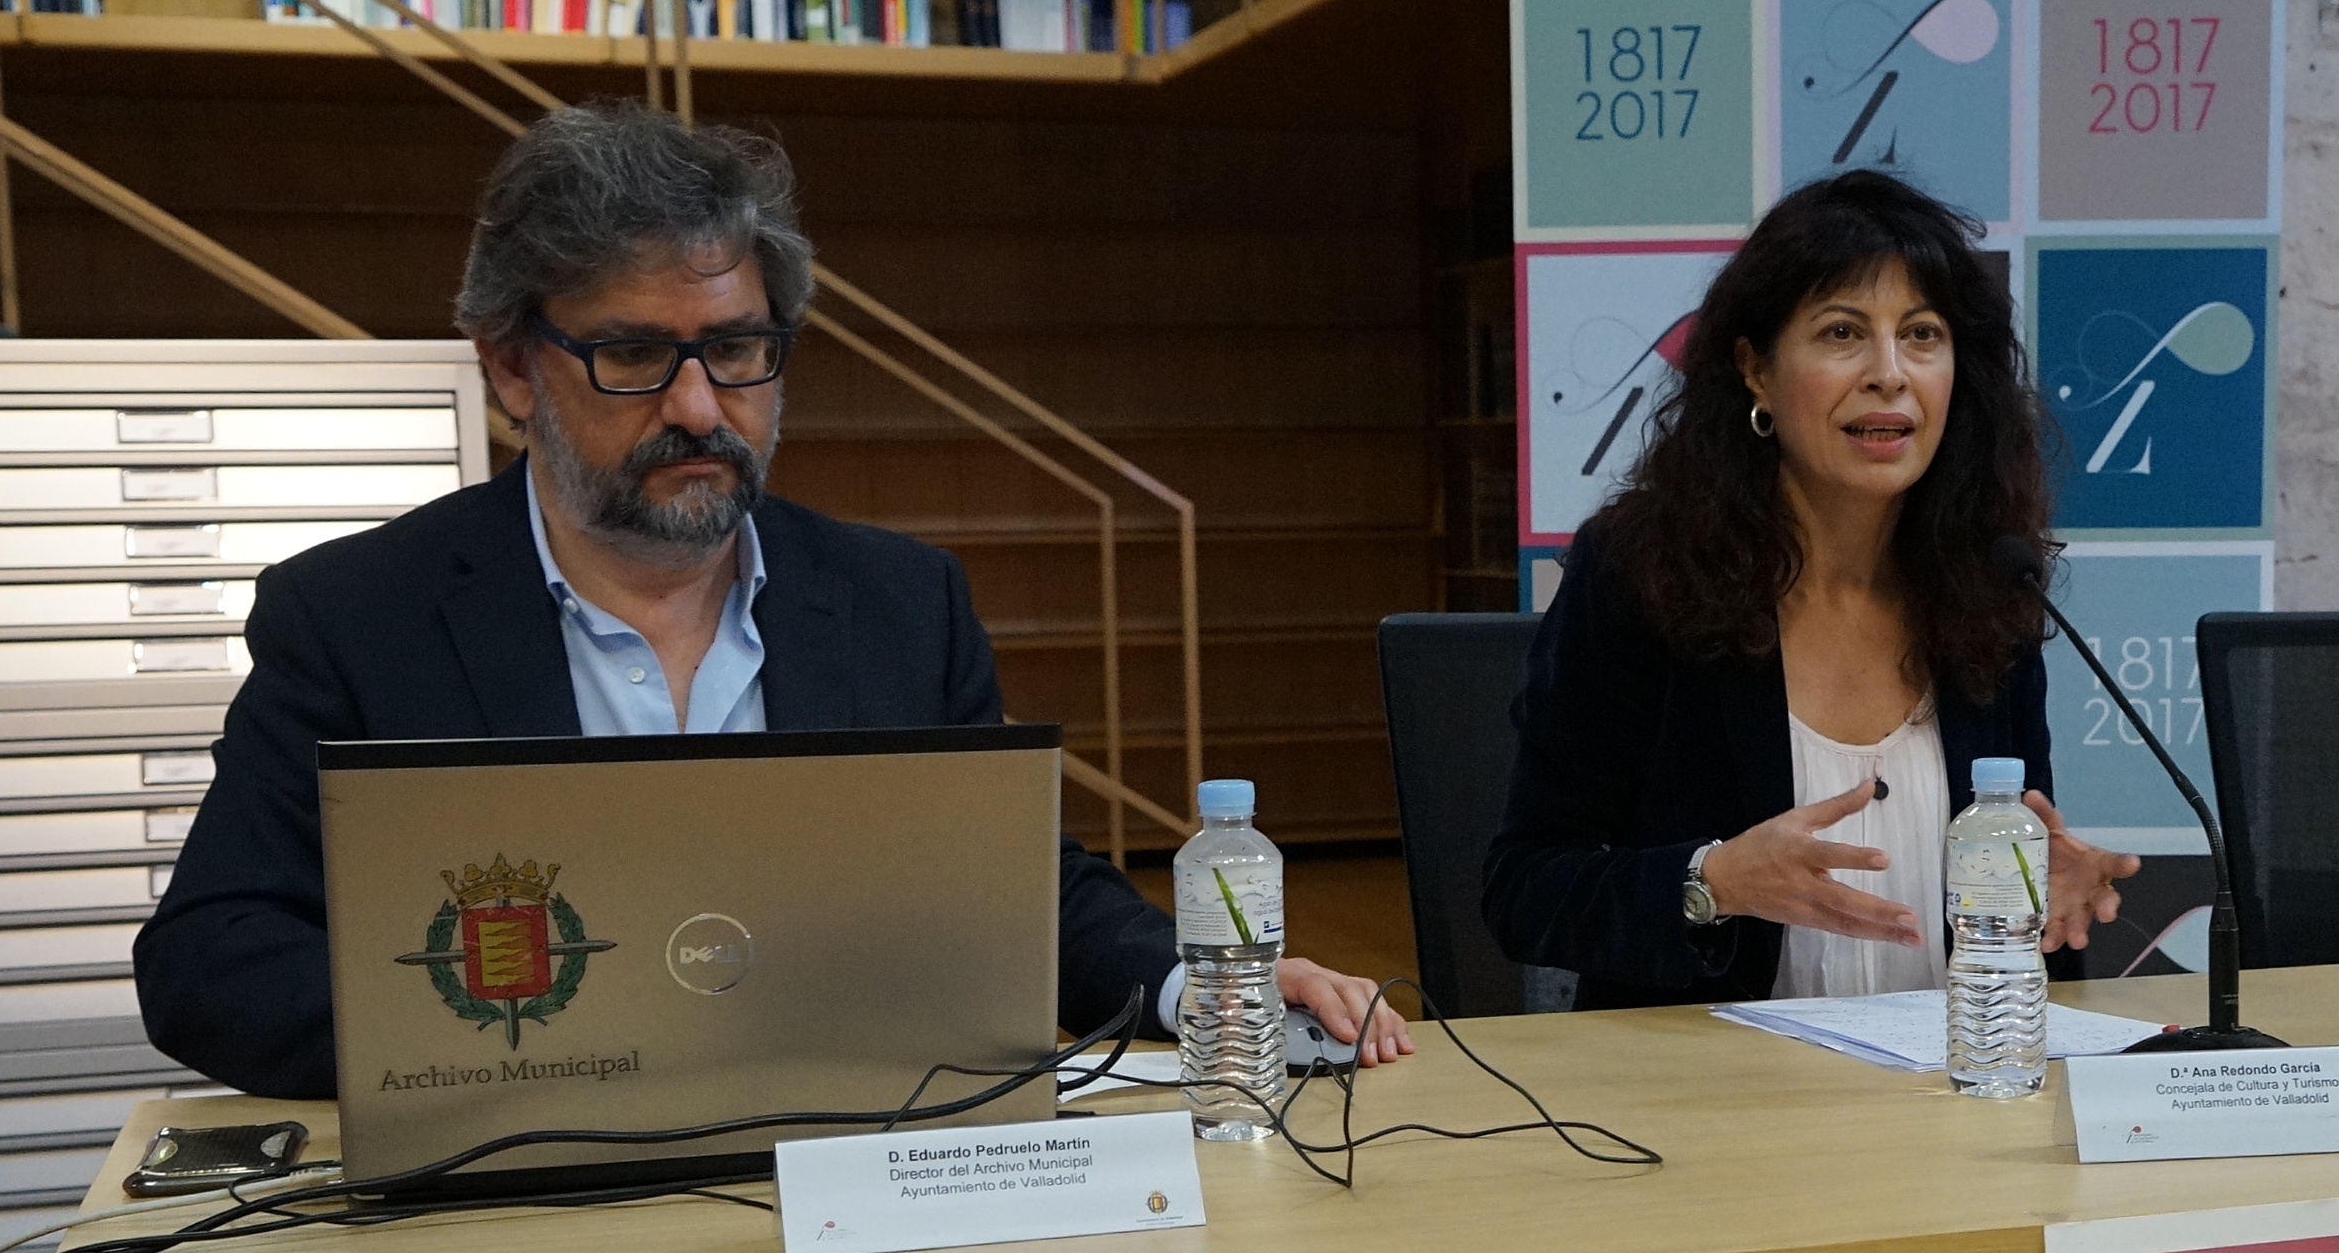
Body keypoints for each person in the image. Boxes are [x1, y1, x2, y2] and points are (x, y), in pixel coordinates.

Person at [134, 101, 1408, 1099]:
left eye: (737, 349)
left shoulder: (902, 603)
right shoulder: (356, 617)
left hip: (850, 1175)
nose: (699, 406)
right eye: (635, 354)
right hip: (517, 1184)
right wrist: (563, 1032)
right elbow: (210, 960)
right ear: (514, 369)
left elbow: (1017, 890)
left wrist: (1209, 992)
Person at [1484, 170, 2137, 1007]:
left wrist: (2041, 888)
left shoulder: (1987, 584)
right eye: (1842, 332)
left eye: (1922, 335)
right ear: (1755, 369)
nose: (1889, 373)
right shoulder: (1642, 575)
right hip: (1715, 1082)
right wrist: (1712, 882)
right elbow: (1526, 889)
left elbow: (2009, 912)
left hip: (1947, 1076)